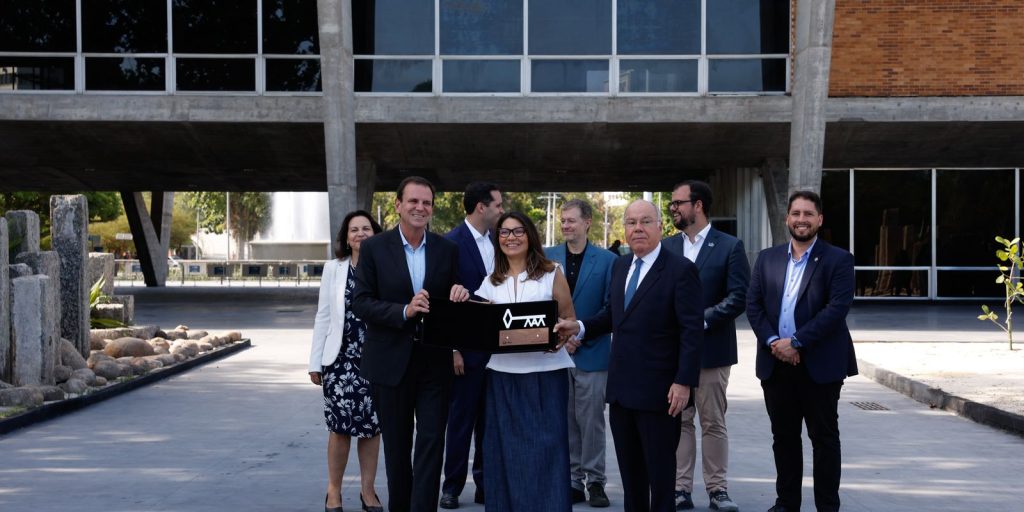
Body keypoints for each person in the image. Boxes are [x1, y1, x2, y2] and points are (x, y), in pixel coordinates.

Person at [556, 200, 704, 512]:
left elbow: (692, 331)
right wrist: (580, 326)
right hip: (622, 392)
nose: (637, 228)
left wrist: (683, 382)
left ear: (660, 227)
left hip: (661, 394)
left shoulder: (681, 270)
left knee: (661, 480)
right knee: (632, 480)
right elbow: (614, 314)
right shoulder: (621, 265)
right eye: (631, 222)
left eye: (645, 222)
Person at [352, 176, 470, 512]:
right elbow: (361, 302)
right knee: (398, 447)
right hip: (390, 363)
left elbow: (453, 298)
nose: (420, 208)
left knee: (432, 443)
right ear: (398, 205)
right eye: (414, 201)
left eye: (427, 203)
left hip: (434, 363)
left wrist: (459, 294)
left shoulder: (447, 249)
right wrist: (404, 310)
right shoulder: (374, 248)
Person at [746, 190, 857, 512]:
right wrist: (773, 343)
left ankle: (826, 506)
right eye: (796, 213)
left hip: (819, 365)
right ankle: (786, 503)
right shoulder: (768, 259)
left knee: (824, 440)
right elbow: (753, 307)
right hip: (775, 364)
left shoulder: (838, 259)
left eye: (808, 214)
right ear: (787, 219)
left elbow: (836, 309)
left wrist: (796, 342)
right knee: (784, 439)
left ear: (819, 219)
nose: (801, 219)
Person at [477, 211, 576, 512]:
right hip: (502, 377)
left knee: (547, 452)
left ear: (530, 235)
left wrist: (559, 336)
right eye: (504, 233)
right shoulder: (489, 281)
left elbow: (569, 319)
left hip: (547, 376)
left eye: (518, 231)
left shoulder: (552, 272)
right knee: (503, 452)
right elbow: (479, 328)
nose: (511, 237)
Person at [662, 181, 749, 512]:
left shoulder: (729, 246)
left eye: (677, 203)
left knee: (712, 421)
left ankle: (717, 490)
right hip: (674, 351)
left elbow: (738, 296)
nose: (673, 209)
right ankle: (680, 489)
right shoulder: (667, 247)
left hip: (712, 350)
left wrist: (701, 319)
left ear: (697, 205)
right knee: (679, 419)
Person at [310, 210, 386, 512]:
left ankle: (368, 491)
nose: (360, 234)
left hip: (377, 359)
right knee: (339, 428)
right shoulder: (334, 268)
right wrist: (315, 362)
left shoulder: (386, 267)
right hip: (339, 361)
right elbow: (324, 316)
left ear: (375, 233)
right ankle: (334, 492)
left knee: (372, 428)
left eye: (366, 228)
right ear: (346, 236)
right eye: (354, 229)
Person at [544, 199, 616, 508]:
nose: (565, 225)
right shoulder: (548, 258)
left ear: (588, 223)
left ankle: (596, 480)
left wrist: (580, 333)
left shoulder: (607, 260)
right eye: (563, 221)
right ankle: (573, 479)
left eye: (572, 220)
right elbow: (540, 301)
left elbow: (611, 308)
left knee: (591, 421)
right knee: (566, 418)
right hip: (557, 352)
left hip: (593, 352)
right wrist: (561, 335)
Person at [440, 182, 504, 509]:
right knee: (461, 421)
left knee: (489, 424)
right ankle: (451, 486)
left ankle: (484, 484)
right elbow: (442, 300)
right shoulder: (449, 244)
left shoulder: (501, 242)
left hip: (499, 349)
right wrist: (452, 348)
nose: (502, 211)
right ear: (481, 206)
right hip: (465, 351)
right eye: (498, 205)